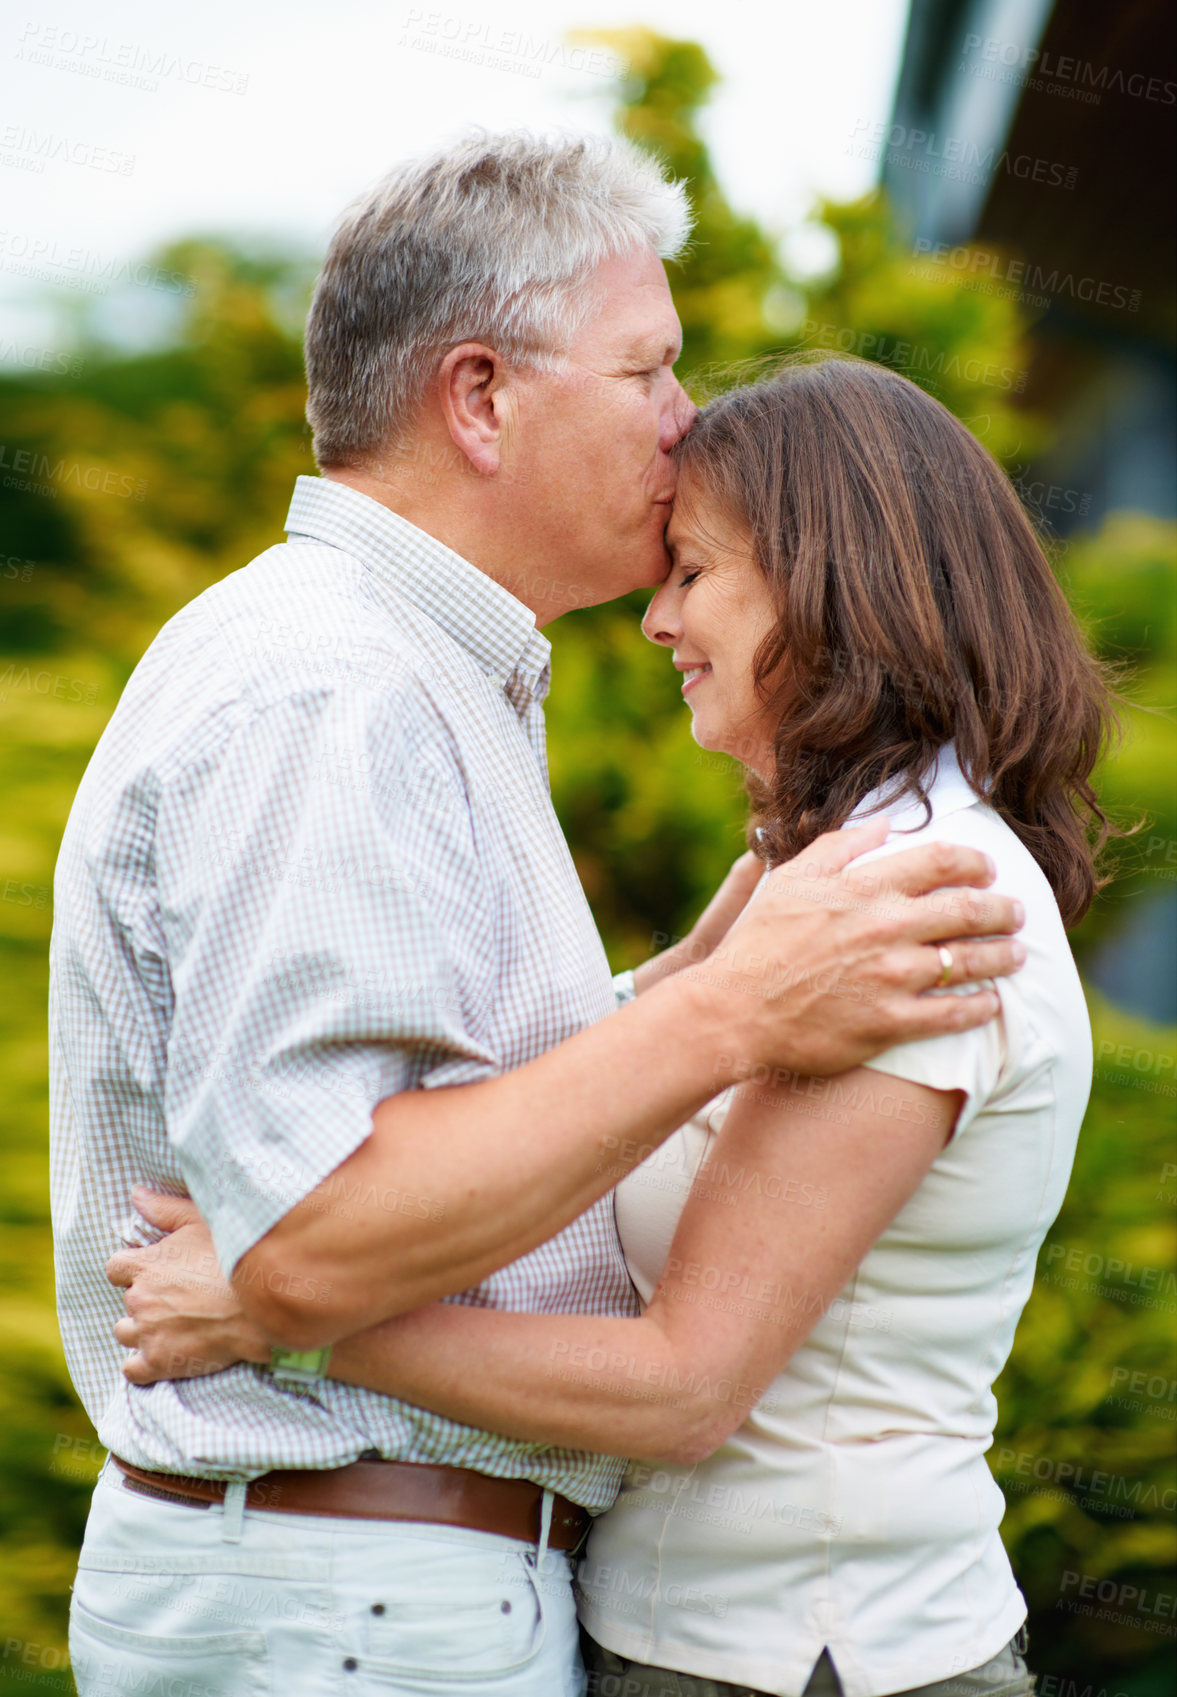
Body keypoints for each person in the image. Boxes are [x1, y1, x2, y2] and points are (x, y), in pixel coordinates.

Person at [53, 132, 1025, 1697]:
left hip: (357, 1590)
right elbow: (310, 1234)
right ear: (482, 394)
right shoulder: (335, 687)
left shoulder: (400, 663)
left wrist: (672, 993)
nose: (683, 417)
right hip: (351, 1604)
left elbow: (410, 1108)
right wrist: (727, 1015)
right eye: (647, 367)